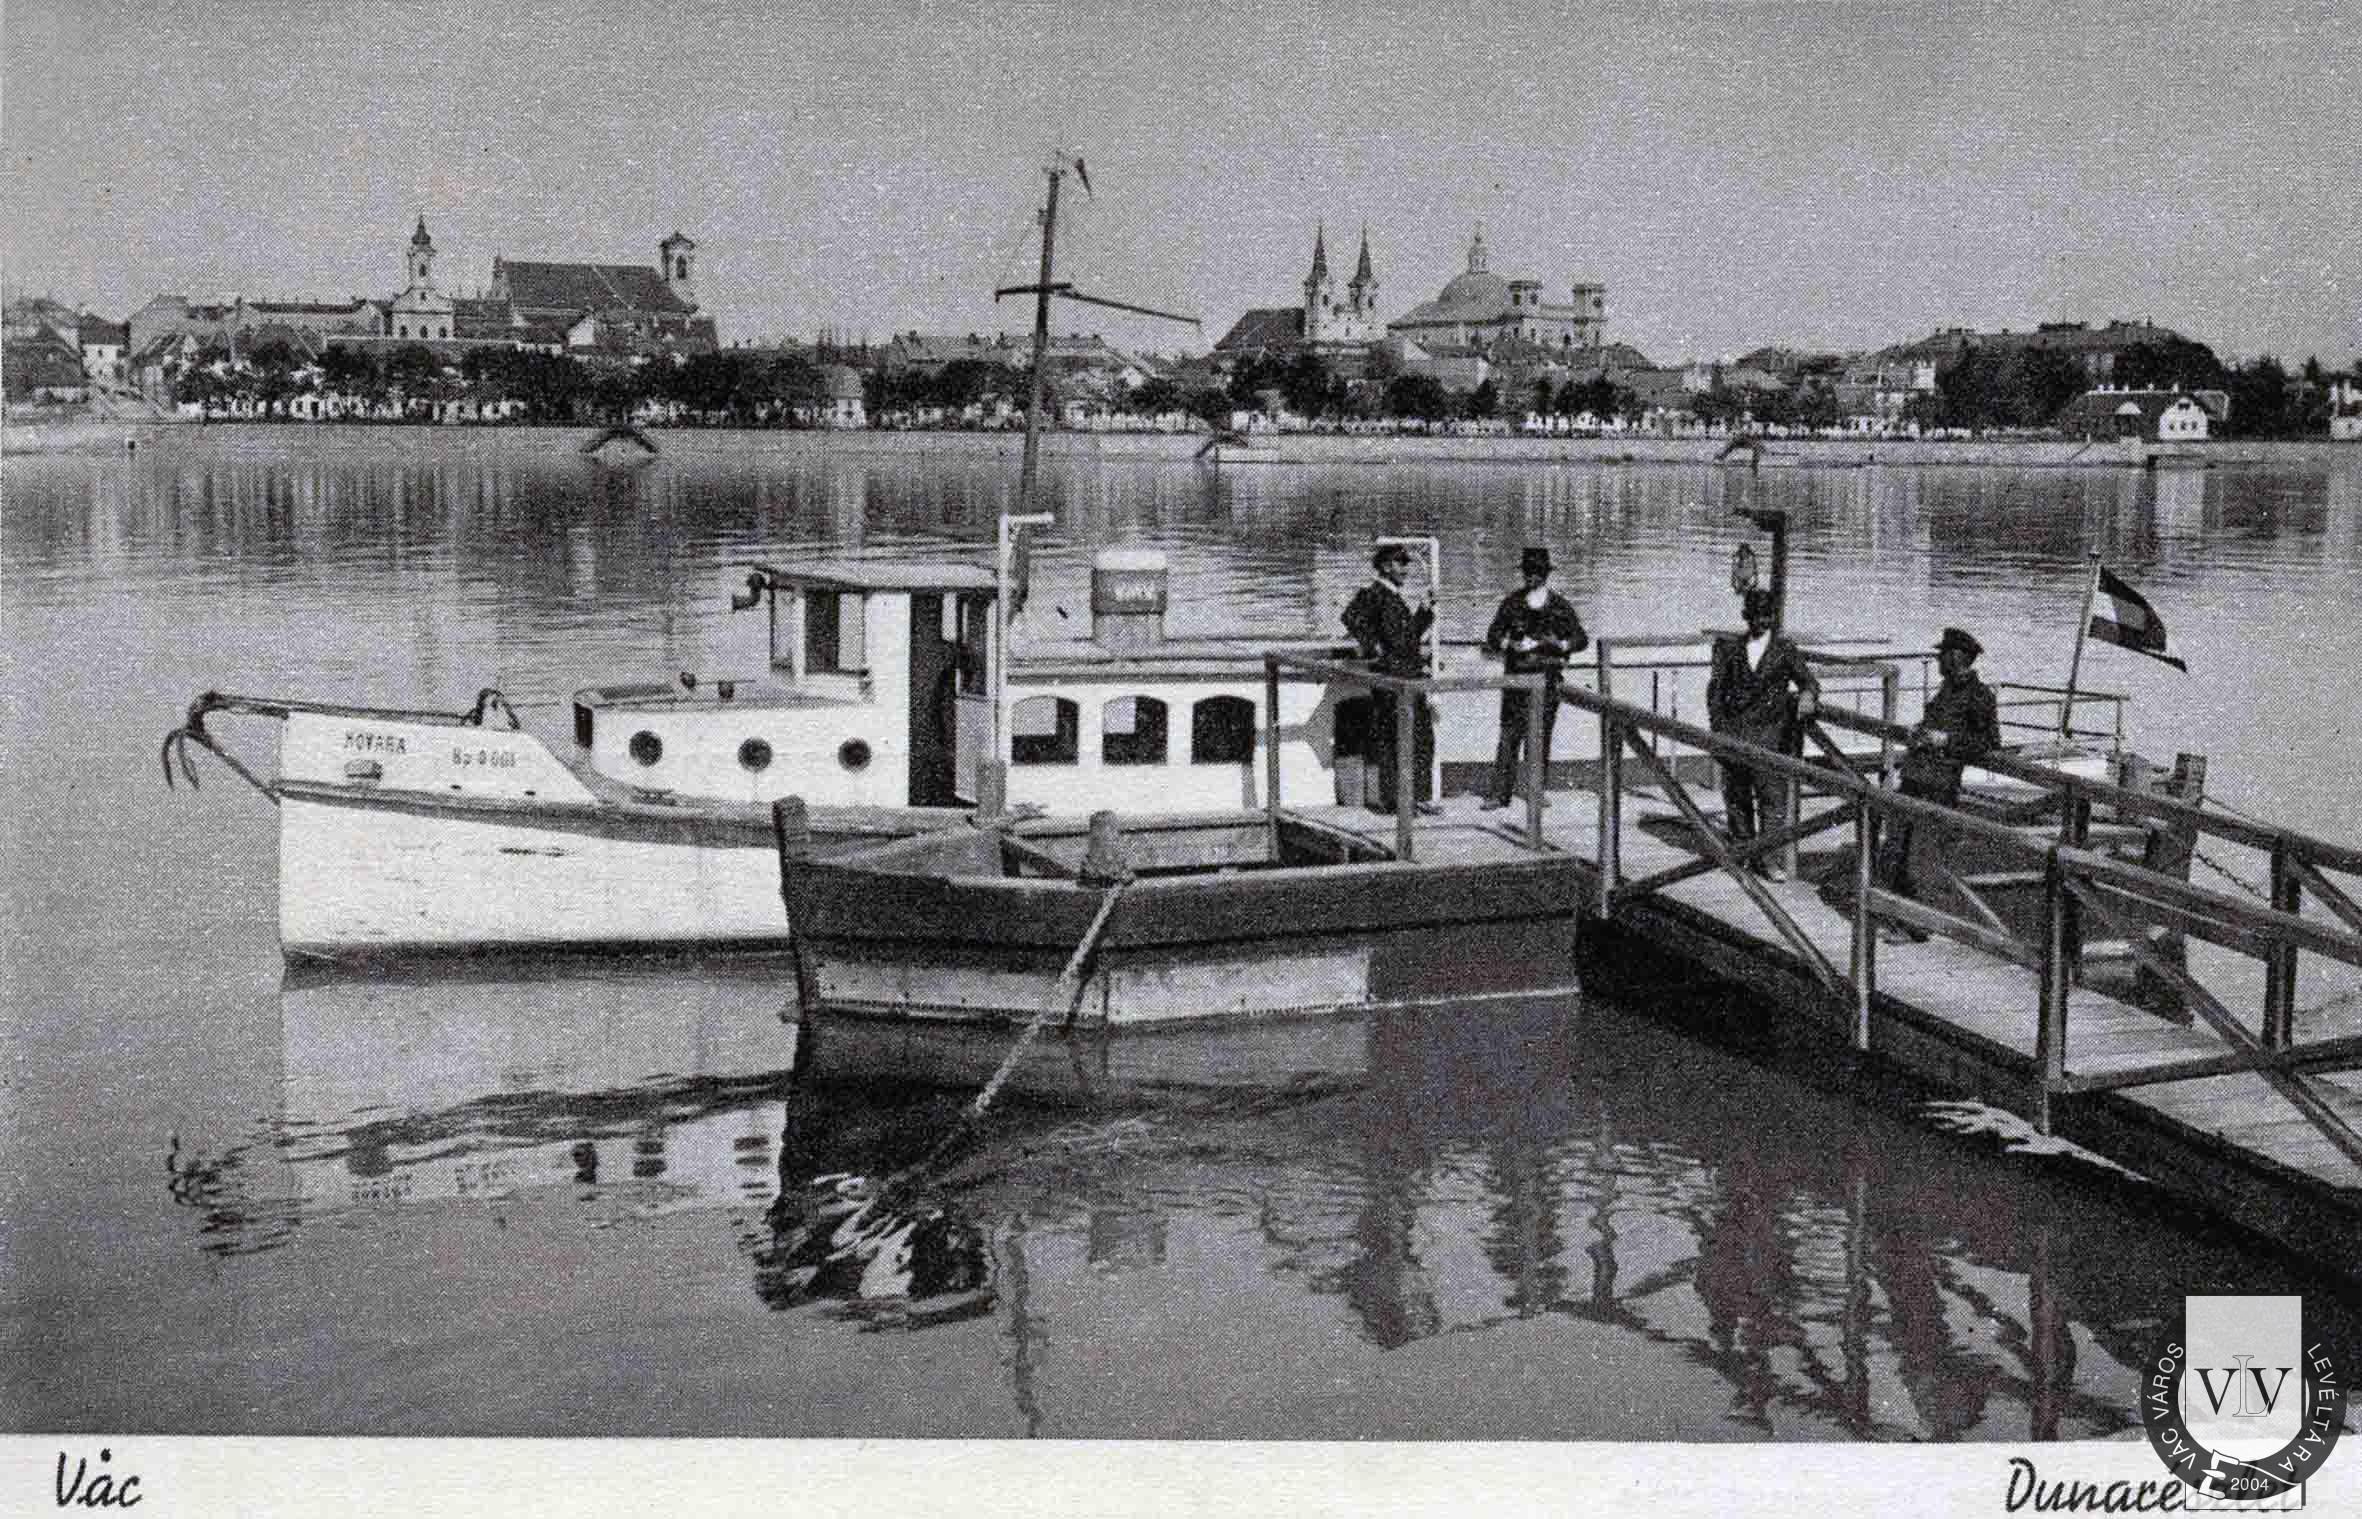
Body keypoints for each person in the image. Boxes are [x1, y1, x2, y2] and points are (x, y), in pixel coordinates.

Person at [1874, 626, 2001, 941]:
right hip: (1915, 779)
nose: (1938, 659)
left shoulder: (1980, 695)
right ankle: (1898, 919)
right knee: (1897, 850)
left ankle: (1917, 928)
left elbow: (1989, 743)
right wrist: (1920, 731)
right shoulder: (1946, 689)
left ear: (1956, 657)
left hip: (1938, 785)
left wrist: (1946, 740)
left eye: (1942, 654)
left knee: (1922, 857)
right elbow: (1937, 722)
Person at [1705, 589, 1821, 880]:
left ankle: (1768, 860)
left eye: (1766, 616)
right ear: (1746, 616)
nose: (1760, 622)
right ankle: (1742, 852)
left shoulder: (1785, 650)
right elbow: (1716, 691)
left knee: (1772, 799)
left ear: (1772, 617)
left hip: (1770, 737)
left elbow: (1808, 681)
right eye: (1755, 616)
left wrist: (1807, 696)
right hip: (1736, 734)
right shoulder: (1731, 649)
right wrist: (1718, 728)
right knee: (1737, 797)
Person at [1480, 546, 1588, 809]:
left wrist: (1561, 644)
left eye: (1537, 572)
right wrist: (1509, 645)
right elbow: (1492, 636)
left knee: (1540, 737)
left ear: (1546, 574)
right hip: (1516, 681)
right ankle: (1499, 794)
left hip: (1547, 680)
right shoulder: (1512, 603)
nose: (1532, 576)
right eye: (1528, 571)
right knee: (1508, 736)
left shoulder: (1560, 606)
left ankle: (1536, 791)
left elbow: (1581, 639)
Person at [1342, 542, 1439, 816]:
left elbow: (1408, 639)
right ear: (1385, 566)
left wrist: (1424, 610)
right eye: (1400, 563)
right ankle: (1397, 801)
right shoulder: (1374, 594)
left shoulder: (1393, 597)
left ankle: (1417, 797)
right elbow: (1349, 617)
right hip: (1391, 678)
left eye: (1406, 563)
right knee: (1394, 739)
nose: (1405, 569)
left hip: (1407, 676)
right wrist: (1374, 648)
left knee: (1421, 736)